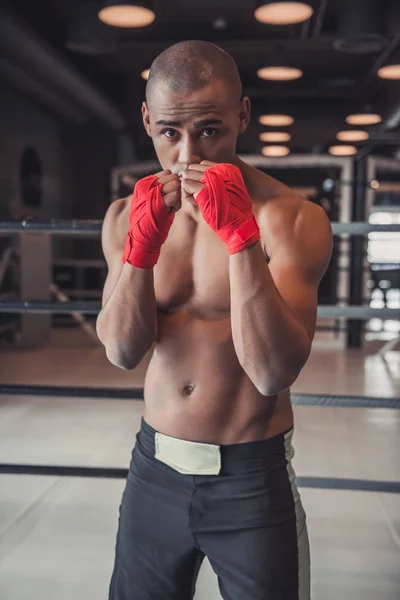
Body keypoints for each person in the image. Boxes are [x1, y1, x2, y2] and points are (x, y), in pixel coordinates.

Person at [96, 40, 332, 600]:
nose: (187, 156)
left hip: (250, 482)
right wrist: (140, 253)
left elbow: (273, 374)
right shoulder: (126, 217)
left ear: (242, 116)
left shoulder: (293, 220)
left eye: (210, 130)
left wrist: (242, 240)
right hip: (153, 471)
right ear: (148, 121)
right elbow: (123, 352)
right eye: (170, 134)